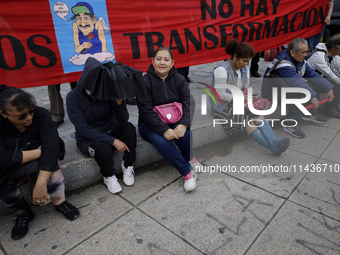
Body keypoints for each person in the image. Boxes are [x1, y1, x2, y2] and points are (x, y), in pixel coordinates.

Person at [0, 85, 80, 240]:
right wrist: (40, 151)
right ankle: (23, 213)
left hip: (33, 160)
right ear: (3, 114)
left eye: (31, 110)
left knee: (53, 168)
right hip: (12, 164)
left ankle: (60, 202)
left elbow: (52, 150)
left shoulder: (41, 115)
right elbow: (2, 160)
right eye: (21, 116)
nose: (29, 117)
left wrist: (40, 183)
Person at [137, 46, 201, 192]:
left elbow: (188, 101)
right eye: (158, 59)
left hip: (175, 117)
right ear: (152, 61)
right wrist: (164, 129)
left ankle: (189, 157)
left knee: (186, 133)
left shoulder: (179, 78)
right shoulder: (145, 81)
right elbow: (145, 110)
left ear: (172, 63)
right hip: (149, 124)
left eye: (166, 59)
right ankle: (186, 171)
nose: (162, 63)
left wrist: (184, 124)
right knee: (161, 140)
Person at [66, 63, 137, 195]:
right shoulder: (73, 97)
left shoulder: (106, 92)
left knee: (129, 128)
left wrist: (119, 101)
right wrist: (112, 141)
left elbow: (123, 120)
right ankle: (108, 176)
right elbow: (83, 129)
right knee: (103, 149)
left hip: (109, 129)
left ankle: (128, 165)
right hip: (88, 139)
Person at [210, 39, 290, 155]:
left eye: (248, 61)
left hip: (240, 100)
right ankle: (273, 146)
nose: (246, 64)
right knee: (247, 120)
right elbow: (221, 94)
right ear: (235, 56)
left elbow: (246, 86)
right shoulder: (221, 70)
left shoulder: (244, 68)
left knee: (257, 114)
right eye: (244, 61)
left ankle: (274, 142)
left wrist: (250, 94)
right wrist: (243, 98)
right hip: (222, 105)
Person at [262, 38, 335, 139]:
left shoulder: (299, 59)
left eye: (306, 51)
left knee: (313, 84)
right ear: (293, 52)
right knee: (297, 94)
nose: (306, 54)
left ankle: (308, 114)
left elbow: (312, 75)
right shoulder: (283, 63)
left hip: (284, 88)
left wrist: (328, 88)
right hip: (272, 92)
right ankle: (289, 124)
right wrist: (311, 96)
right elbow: (296, 82)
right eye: (303, 52)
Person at [306, 33, 340, 118]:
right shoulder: (319, 55)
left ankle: (334, 106)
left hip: (316, 79)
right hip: (306, 82)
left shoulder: (330, 51)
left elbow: (339, 65)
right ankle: (328, 109)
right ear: (335, 49)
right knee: (336, 84)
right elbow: (332, 75)